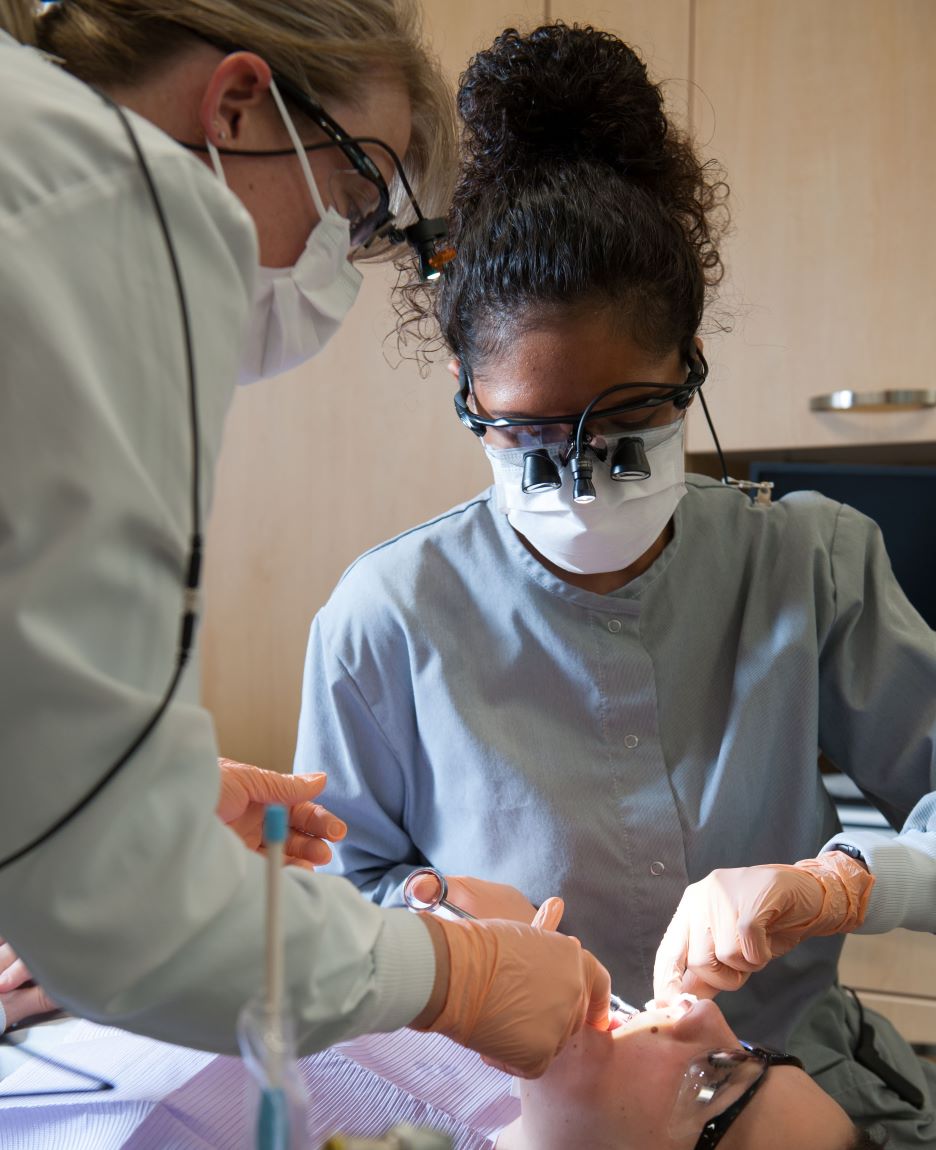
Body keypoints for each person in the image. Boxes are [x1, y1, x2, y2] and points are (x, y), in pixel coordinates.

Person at [292, 21, 936, 1144]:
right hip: (511, 1099)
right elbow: (324, 909)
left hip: (776, 1077)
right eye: (532, 436)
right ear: (465, 390)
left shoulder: (811, 566)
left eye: (627, 424)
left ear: (689, 363)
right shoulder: (385, 621)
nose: (581, 481)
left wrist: (838, 883)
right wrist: (435, 920)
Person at [0, 0, 613, 1073]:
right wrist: (457, 972)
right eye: (357, 200)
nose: (347, 252)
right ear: (238, 105)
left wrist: (128, 794)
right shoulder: (114, 207)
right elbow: (135, 915)